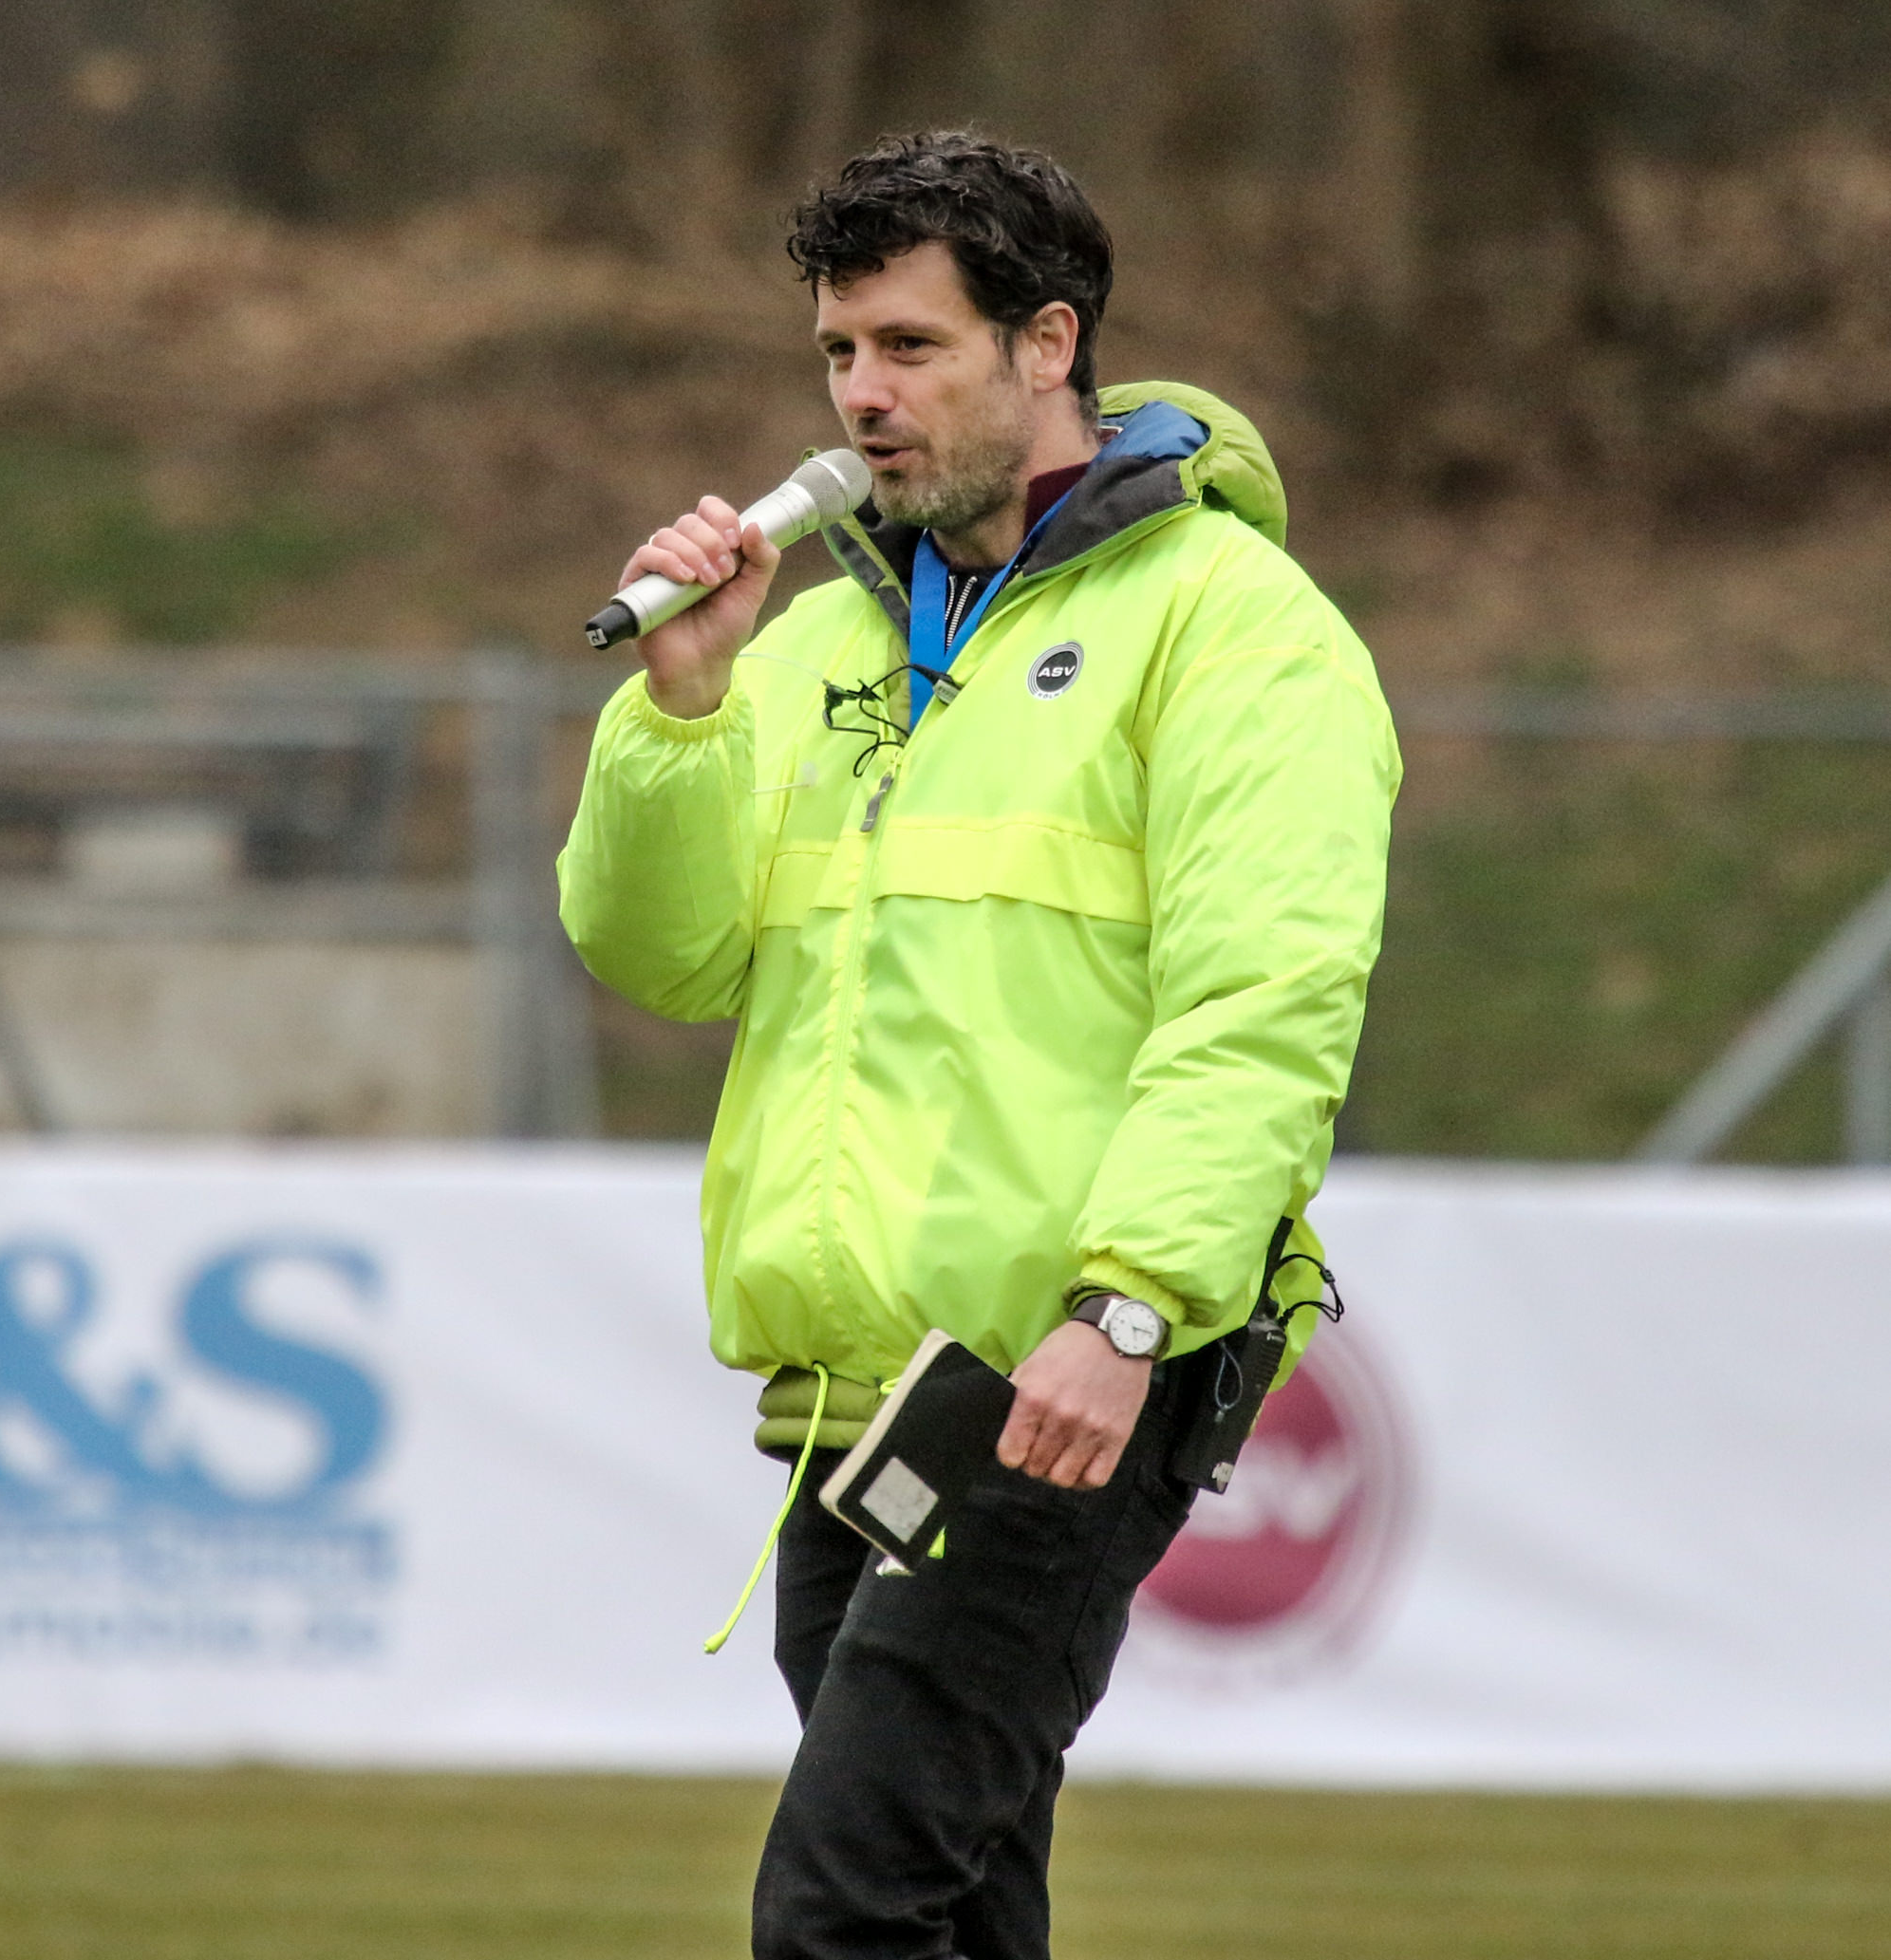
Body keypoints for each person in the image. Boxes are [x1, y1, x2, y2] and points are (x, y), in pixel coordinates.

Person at [555, 130, 1400, 1960]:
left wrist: (1125, 1308)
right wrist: (680, 713)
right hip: (856, 1402)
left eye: (909, 346)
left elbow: (1263, 1006)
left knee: (841, 1909)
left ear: (1047, 343)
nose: (861, 394)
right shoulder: (809, 637)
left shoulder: (1233, 624)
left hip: (1063, 1372)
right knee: (947, 1912)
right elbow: (659, 957)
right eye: (837, 352)